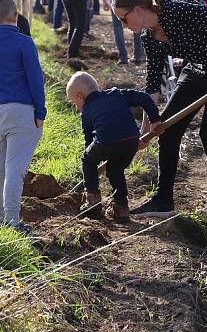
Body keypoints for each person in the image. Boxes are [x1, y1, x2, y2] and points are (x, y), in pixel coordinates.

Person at [112, 0, 207, 217]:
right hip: (196, 69)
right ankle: (163, 201)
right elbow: (152, 85)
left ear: (138, 9)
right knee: (167, 130)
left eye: (124, 18)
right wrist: (146, 129)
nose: (124, 25)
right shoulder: (149, 35)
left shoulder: (173, 9)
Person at [0, 0, 46, 233]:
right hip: (24, 110)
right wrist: (41, 110)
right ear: (16, 16)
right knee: (15, 169)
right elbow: (35, 79)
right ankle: (12, 221)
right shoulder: (25, 43)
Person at [67, 71, 161, 222]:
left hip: (105, 142)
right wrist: (155, 119)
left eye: (74, 102)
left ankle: (93, 199)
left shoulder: (86, 112)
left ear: (79, 96)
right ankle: (121, 208)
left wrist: (92, 159)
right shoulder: (117, 94)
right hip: (131, 141)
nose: (76, 106)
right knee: (115, 169)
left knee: (87, 159)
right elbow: (144, 97)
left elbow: (88, 141)